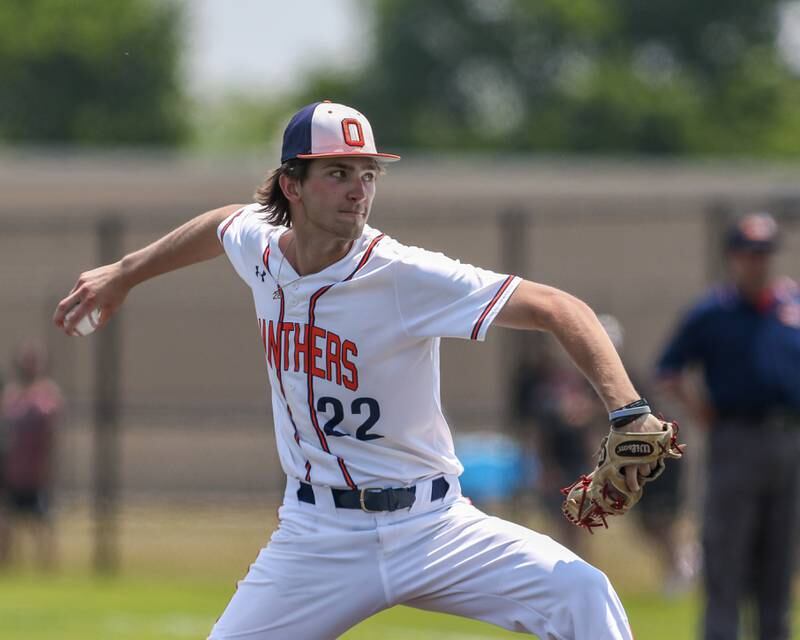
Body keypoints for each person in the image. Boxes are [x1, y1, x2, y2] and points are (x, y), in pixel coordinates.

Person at [55, 101, 667, 640]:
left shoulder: (403, 275)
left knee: (582, 594)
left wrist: (628, 410)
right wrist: (125, 273)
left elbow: (561, 308)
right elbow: (222, 222)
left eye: (368, 173)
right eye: (339, 172)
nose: (359, 189)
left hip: (433, 525)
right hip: (316, 535)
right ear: (292, 185)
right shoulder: (260, 245)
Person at [656, 212, 800, 640]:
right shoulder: (713, 313)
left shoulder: (792, 308)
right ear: (733, 257)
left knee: (780, 553)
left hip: (789, 438)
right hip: (736, 436)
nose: (757, 262)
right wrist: (703, 411)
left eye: (763, 253)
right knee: (727, 552)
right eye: (748, 253)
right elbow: (669, 370)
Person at [0, 341, 63, 570]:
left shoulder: (47, 396)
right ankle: (7, 573)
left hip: (36, 475)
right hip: (12, 474)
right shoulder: (11, 397)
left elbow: (51, 434)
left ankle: (48, 574)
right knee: (6, 525)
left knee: (43, 526)